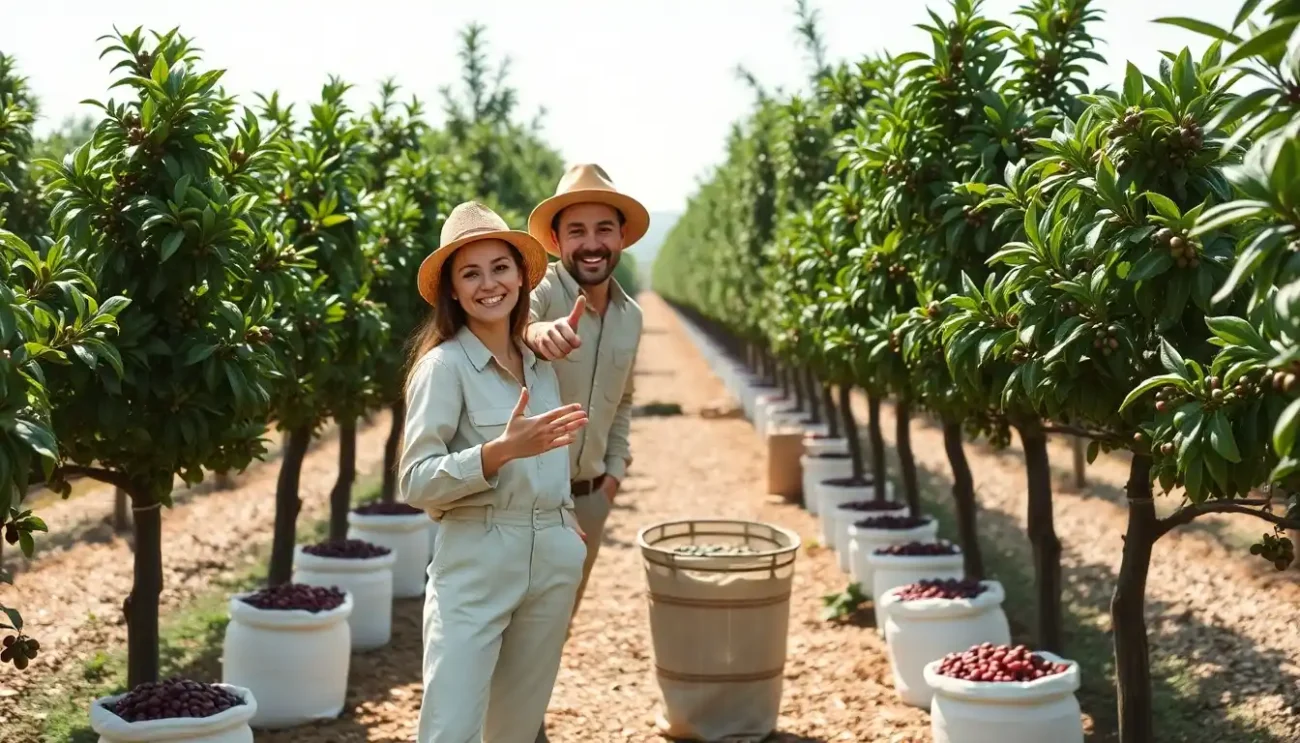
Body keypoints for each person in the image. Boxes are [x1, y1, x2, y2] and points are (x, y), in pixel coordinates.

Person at [398, 200, 591, 743]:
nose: (489, 284)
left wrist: (564, 520)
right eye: (471, 273)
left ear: (520, 277)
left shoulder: (538, 363)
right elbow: (415, 481)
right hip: (476, 559)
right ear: (452, 291)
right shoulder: (444, 368)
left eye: (500, 267)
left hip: (550, 558)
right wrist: (496, 453)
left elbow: (551, 454)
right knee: (451, 729)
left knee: (515, 729)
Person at [522, 164, 650, 741]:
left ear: (621, 237)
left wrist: (613, 476)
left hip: (589, 500)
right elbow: (508, 319)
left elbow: (623, 403)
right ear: (556, 241)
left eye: (604, 229)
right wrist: (533, 332)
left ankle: (528, 722)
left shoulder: (631, 317)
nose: (592, 243)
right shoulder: (537, 294)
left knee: (556, 624)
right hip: (527, 498)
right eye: (577, 230)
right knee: (513, 623)